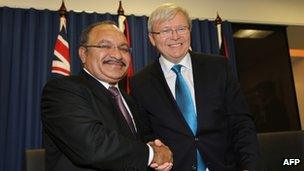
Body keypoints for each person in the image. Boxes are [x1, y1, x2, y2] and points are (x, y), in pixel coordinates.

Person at [130, 3, 259, 171]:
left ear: (190, 32)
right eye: (165, 31)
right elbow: (145, 135)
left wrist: (250, 166)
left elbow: (241, 123)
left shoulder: (219, 67)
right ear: (152, 38)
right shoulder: (140, 82)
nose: (175, 36)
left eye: (181, 29)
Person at [41, 21, 173, 171]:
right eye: (104, 46)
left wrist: (159, 152)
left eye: (124, 49)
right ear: (83, 54)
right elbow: (92, 146)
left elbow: (140, 143)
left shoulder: (129, 100)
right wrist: (151, 154)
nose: (117, 55)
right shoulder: (62, 91)